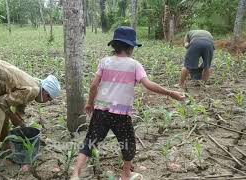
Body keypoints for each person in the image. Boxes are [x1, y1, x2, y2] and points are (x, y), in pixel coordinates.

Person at [70, 27, 185, 180]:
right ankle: (125, 174)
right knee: (128, 143)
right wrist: (171, 93)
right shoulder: (134, 65)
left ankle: (75, 173)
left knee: (89, 141)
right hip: (121, 115)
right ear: (131, 47)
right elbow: (148, 85)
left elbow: (93, 85)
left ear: (115, 46)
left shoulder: (104, 62)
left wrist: (90, 103)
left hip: (101, 111)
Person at [0, 58, 60, 147]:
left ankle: (3, 139)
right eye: (49, 98)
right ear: (46, 93)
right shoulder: (33, 91)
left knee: (3, 112)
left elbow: (21, 101)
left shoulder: (34, 83)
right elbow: (2, 102)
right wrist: (13, 117)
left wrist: (20, 117)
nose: (47, 102)